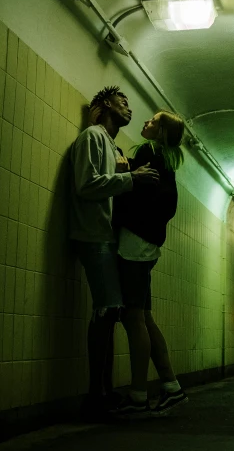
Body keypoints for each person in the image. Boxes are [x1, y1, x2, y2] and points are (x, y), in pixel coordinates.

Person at [69, 85, 160, 422]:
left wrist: (126, 176)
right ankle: (96, 395)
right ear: (104, 105)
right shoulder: (92, 136)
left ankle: (103, 391)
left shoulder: (114, 146)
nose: (130, 109)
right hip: (93, 235)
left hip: (107, 236)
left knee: (112, 310)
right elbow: (87, 184)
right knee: (107, 309)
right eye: (123, 102)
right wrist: (130, 180)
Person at [112, 110, 189, 417]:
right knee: (145, 316)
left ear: (161, 133)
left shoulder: (149, 151)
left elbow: (136, 193)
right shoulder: (167, 159)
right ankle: (171, 388)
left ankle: (138, 395)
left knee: (133, 318)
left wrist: (124, 173)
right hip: (149, 243)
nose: (146, 122)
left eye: (154, 121)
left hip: (135, 241)